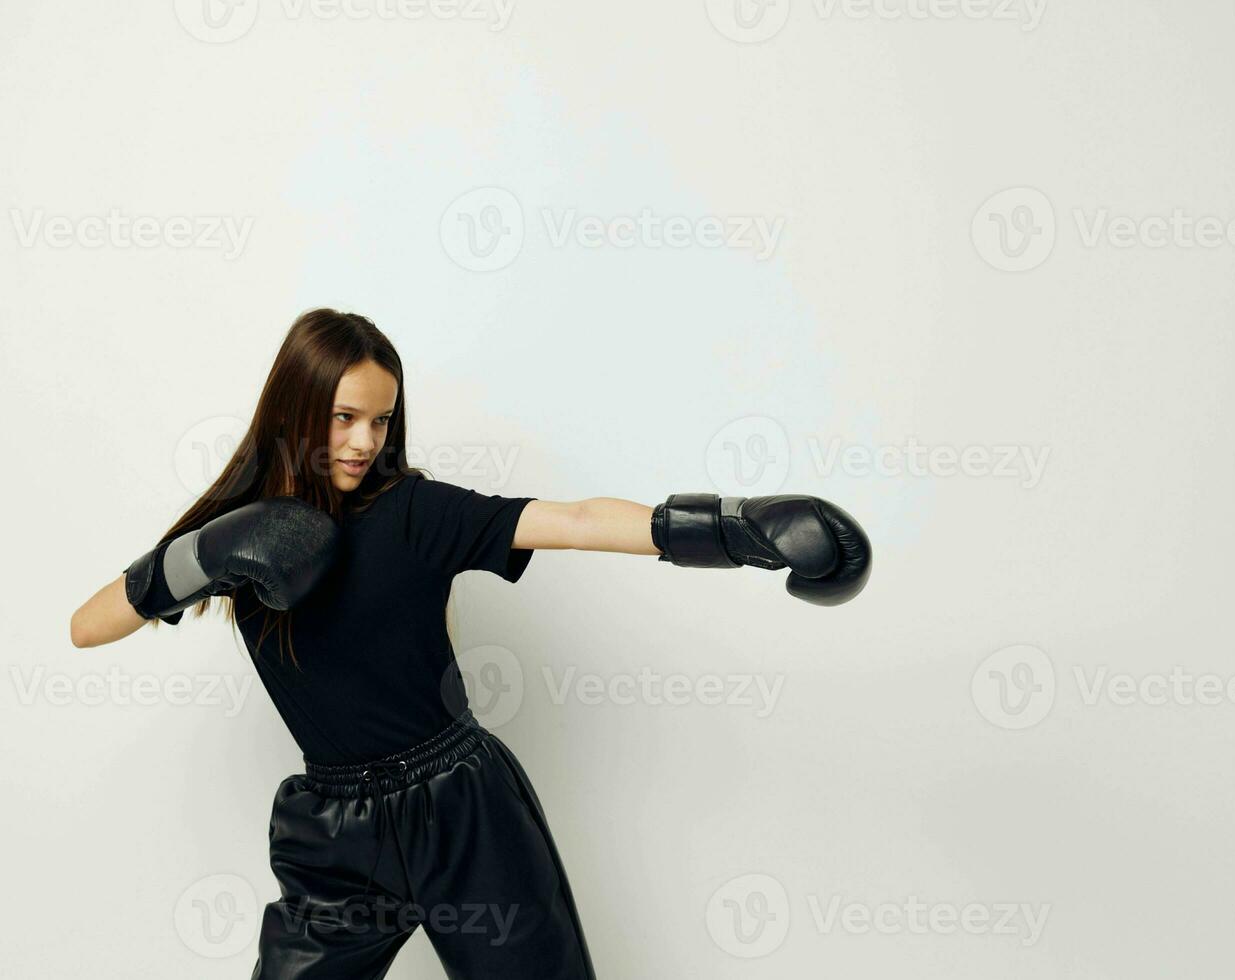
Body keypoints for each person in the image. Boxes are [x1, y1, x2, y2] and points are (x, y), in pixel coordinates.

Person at [69, 308, 872, 978]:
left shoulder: (416, 513)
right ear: (292, 409)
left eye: (380, 420)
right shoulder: (231, 542)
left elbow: (575, 520)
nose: (362, 442)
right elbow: (86, 626)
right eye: (342, 417)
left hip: (463, 806)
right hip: (334, 834)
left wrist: (734, 528)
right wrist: (200, 555)